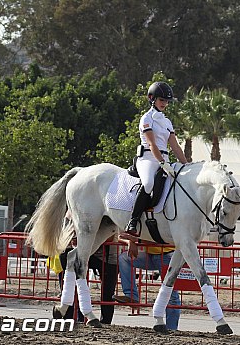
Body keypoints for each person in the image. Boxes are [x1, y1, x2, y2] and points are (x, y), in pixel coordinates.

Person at [126, 81, 188, 234]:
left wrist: (186, 165)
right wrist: (162, 163)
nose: (164, 104)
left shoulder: (167, 122)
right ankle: (133, 221)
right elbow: (152, 143)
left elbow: (175, 147)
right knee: (147, 184)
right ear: (152, 99)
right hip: (148, 158)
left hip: (164, 160)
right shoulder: (146, 119)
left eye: (167, 101)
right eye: (162, 100)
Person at [115, 236, 181, 331]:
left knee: (172, 295)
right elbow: (119, 235)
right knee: (124, 258)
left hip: (168, 255)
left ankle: (172, 329)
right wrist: (130, 241)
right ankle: (131, 295)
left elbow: (163, 238)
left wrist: (137, 240)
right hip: (152, 255)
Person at [53, 237, 118, 324]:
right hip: (79, 251)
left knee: (108, 290)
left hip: (105, 254)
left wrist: (85, 240)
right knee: (69, 268)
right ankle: (70, 314)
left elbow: (111, 235)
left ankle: (104, 321)